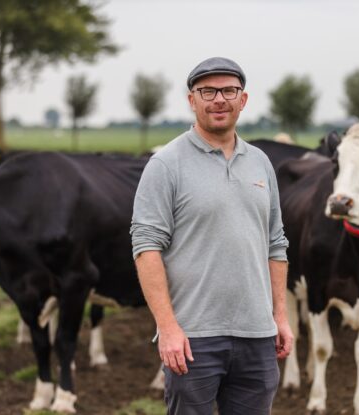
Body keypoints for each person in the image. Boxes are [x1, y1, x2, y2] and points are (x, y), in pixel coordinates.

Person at [130, 56, 293, 415]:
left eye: (229, 90)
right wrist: (168, 327)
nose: (219, 99)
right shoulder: (166, 164)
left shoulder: (261, 163)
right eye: (208, 91)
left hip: (257, 336)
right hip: (193, 339)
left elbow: (276, 244)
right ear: (192, 100)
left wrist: (279, 316)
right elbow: (146, 248)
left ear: (243, 99)